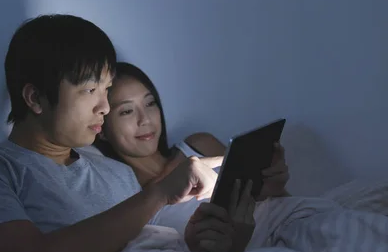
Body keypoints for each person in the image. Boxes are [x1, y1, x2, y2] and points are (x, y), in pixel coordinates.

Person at [0, 14, 272, 252]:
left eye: (106, 89)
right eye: (89, 91)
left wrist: (210, 244)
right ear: (35, 98)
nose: (105, 107)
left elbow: (152, 249)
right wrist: (156, 194)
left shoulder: (115, 173)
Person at [93, 62, 291, 234]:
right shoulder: (127, 200)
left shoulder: (200, 145)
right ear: (102, 128)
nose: (145, 119)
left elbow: (284, 203)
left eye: (150, 103)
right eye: (127, 111)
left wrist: (275, 187)